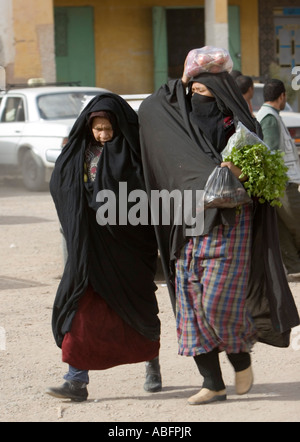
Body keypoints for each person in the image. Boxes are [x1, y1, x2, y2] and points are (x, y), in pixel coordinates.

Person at [139, 47, 300, 405]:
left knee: (216, 303)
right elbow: (151, 108)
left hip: (231, 221)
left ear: (223, 90)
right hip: (187, 222)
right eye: (192, 89)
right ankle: (212, 382)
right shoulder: (177, 120)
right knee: (190, 307)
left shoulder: (240, 125)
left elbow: (261, 170)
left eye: (205, 89)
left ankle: (240, 360)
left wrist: (239, 172)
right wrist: (182, 79)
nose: (197, 94)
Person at [46, 92, 162, 402]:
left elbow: (144, 198)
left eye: (108, 129)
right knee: (81, 310)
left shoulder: (135, 154)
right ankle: (76, 380)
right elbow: (62, 185)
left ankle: (152, 364)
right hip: (89, 249)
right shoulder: (79, 152)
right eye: (97, 128)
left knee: (139, 308)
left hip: (127, 248)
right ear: (87, 126)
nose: (103, 135)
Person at [256, 79, 300, 278]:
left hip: (280, 183)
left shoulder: (272, 115)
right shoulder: (270, 118)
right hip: (282, 184)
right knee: (295, 224)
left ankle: (294, 268)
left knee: (283, 229)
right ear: (282, 96)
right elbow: (271, 152)